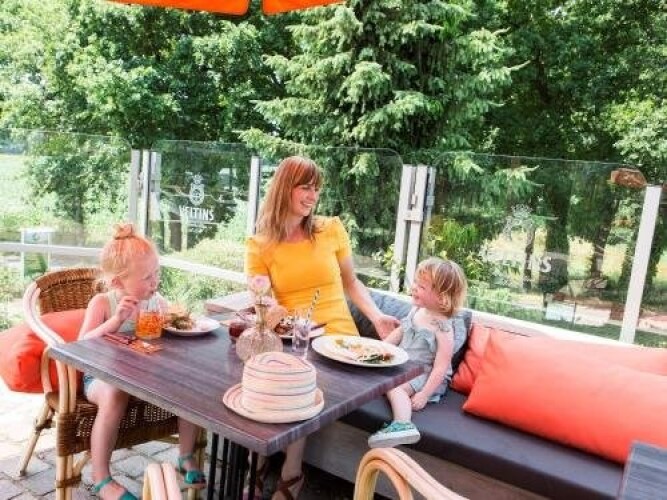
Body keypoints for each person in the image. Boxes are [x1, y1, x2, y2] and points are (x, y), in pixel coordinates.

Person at [245, 155, 400, 499]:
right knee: (271, 374)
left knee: (300, 379)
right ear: (285, 188)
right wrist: (266, 306)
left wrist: (376, 317)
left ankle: (290, 473)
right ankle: (258, 464)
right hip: (295, 338)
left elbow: (351, 282)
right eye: (306, 187)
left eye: (316, 188)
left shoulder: (330, 229)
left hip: (339, 340)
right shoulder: (259, 245)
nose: (313, 195)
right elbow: (263, 301)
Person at [79, 223, 205, 500]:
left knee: (190, 385)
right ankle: (102, 479)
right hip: (100, 377)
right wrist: (116, 320)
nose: (155, 282)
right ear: (118, 282)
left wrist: (172, 321)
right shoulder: (103, 303)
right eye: (147, 277)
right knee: (114, 393)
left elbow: (166, 337)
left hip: (143, 376)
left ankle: (185, 455)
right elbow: (80, 344)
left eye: (157, 273)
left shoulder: (155, 302)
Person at [367, 257, 468, 448]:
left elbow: (441, 367)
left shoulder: (444, 328)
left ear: (441, 297)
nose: (414, 288)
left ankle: (403, 425)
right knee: (374, 374)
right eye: (415, 282)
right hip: (405, 366)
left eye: (421, 286)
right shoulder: (416, 311)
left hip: (426, 374)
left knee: (394, 387)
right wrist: (379, 348)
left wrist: (424, 394)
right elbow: (400, 332)